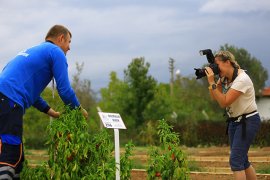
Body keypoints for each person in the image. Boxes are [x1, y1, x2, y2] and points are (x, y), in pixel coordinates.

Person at [0, 24, 88, 179]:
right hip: (9, 101)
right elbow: (65, 90)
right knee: (10, 154)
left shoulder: (33, 50)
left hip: (5, 98)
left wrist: (51, 112)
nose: (69, 48)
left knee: (18, 158)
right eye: (68, 42)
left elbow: (29, 92)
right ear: (61, 38)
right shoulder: (56, 52)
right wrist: (79, 109)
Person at [205, 50, 261, 180]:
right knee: (243, 161)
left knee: (236, 161)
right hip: (234, 122)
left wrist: (212, 82)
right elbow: (215, 98)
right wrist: (213, 82)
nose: (216, 69)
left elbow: (224, 102)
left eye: (217, 65)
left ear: (227, 62)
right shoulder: (225, 78)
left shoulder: (242, 79)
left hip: (248, 121)